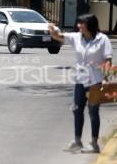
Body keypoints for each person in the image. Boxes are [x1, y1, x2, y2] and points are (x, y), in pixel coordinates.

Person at [48, 14, 113, 153]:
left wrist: (106, 78)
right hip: (80, 80)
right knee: (77, 110)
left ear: (89, 25)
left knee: (93, 112)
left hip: (95, 81)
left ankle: (94, 143)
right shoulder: (76, 37)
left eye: (81, 24)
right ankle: (77, 141)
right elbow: (59, 36)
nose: (79, 26)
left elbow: (108, 60)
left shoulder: (103, 40)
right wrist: (52, 30)